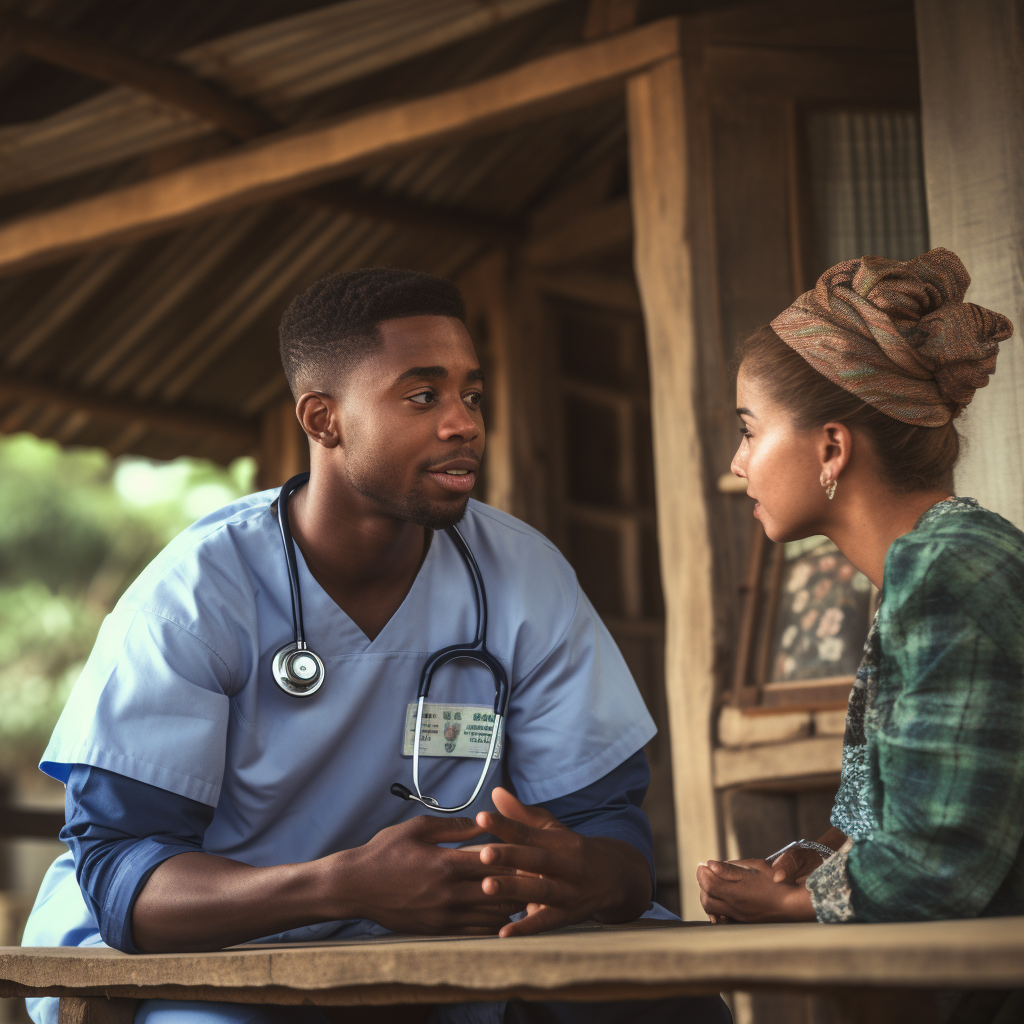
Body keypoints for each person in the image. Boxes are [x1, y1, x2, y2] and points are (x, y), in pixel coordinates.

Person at [23, 268, 730, 1024]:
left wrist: (582, 875)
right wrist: (348, 887)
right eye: (423, 396)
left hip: (444, 951)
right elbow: (125, 876)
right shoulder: (198, 594)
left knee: (668, 1005)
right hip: (216, 961)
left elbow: (611, 836)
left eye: (472, 394)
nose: (463, 423)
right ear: (324, 419)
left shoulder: (525, 576)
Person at [696, 248, 1022, 1021]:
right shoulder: (930, 565)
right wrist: (828, 859)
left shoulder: (949, 573)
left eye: (750, 430)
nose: (739, 463)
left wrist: (790, 902)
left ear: (832, 448)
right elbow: (920, 823)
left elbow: (939, 865)